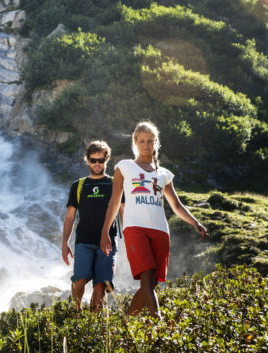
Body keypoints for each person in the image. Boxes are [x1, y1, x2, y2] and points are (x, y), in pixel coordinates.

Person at [100, 121, 207, 319]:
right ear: (135, 142)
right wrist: (105, 231)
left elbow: (176, 205)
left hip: (160, 230)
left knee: (150, 285)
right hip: (135, 228)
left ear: (155, 142)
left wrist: (195, 223)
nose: (145, 145)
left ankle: (127, 324)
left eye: (150, 141)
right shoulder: (124, 167)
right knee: (147, 275)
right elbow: (114, 202)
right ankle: (159, 324)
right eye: (141, 141)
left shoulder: (164, 174)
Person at [62, 141, 123, 312]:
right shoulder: (78, 185)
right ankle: (76, 313)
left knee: (101, 285)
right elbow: (69, 218)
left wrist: (132, 239)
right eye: (93, 160)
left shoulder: (115, 184)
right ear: (87, 160)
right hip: (84, 241)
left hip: (108, 243)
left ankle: (93, 326)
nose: (97, 164)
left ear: (106, 160)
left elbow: (124, 213)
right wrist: (64, 243)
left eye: (101, 160)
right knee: (79, 279)